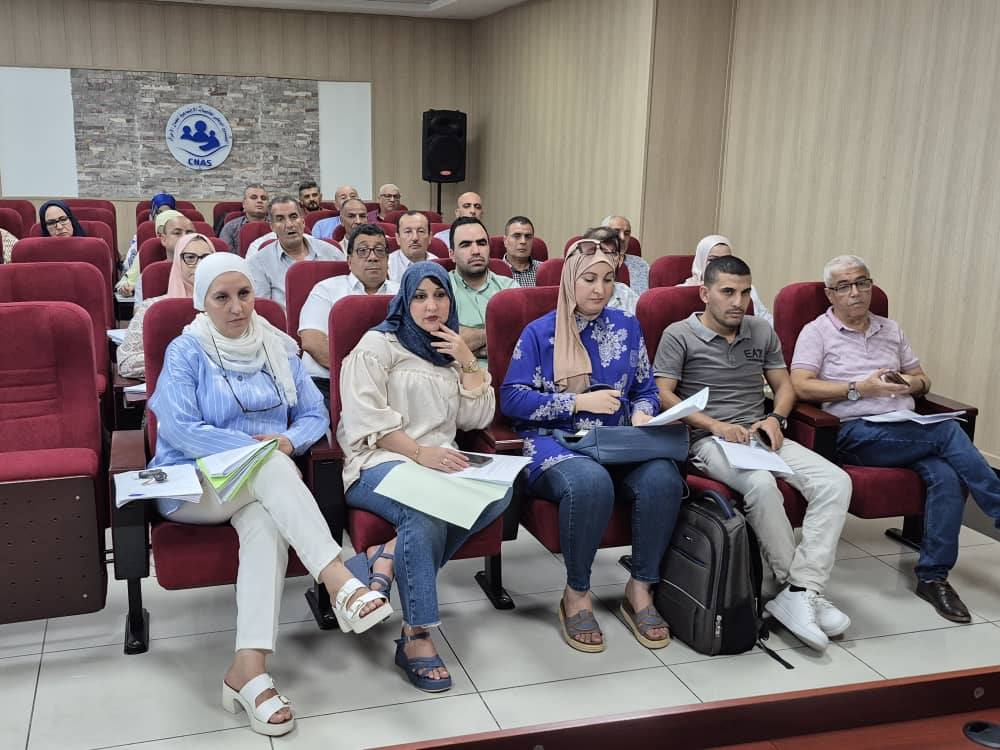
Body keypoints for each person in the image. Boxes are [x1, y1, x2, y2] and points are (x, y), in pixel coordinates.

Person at [148, 253, 391, 737]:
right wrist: (258, 451)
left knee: (265, 523)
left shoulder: (276, 345)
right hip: (194, 484)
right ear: (202, 302)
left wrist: (288, 441)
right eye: (222, 297)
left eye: (244, 294)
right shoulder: (186, 351)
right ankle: (338, 579)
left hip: (260, 486)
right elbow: (179, 428)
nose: (236, 307)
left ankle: (249, 669)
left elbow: (315, 414)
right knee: (271, 465)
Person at [654, 254, 852, 652]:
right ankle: (794, 588)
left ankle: (802, 589)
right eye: (728, 292)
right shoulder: (680, 334)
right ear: (704, 293)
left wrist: (776, 418)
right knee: (761, 485)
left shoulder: (760, 330)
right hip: (707, 440)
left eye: (745, 293)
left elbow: (784, 386)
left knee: (836, 481)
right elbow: (663, 394)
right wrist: (715, 425)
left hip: (759, 435)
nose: (738, 302)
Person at [790, 254, 1000, 624]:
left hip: (907, 428)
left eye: (862, 283)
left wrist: (908, 384)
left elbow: (923, 380)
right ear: (830, 294)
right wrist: (861, 388)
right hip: (855, 431)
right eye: (844, 286)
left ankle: (933, 577)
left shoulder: (891, 329)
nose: (855, 292)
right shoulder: (816, 332)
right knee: (947, 431)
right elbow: (801, 386)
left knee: (946, 475)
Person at [501, 242, 684, 653]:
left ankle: (640, 589)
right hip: (552, 440)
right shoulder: (540, 332)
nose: (599, 289)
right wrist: (577, 402)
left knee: (663, 478)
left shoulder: (627, 326)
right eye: (588, 279)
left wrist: (643, 412)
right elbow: (512, 399)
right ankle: (577, 594)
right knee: (590, 482)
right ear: (570, 281)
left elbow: (645, 388)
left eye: (607, 279)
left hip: (617, 440)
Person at [338, 261, 511, 692]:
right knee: (423, 513)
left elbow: (476, 418)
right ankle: (416, 633)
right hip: (379, 460)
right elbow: (363, 421)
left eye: (440, 296)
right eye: (420, 297)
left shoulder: (447, 349)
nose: (431, 306)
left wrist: (468, 361)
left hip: (438, 463)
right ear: (404, 300)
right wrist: (419, 453)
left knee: (500, 491)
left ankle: (385, 554)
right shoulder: (378, 345)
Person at [299, 224, 399, 402]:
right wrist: (359, 374)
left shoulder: (401, 293)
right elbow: (312, 342)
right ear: (349, 260)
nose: (373, 257)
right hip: (329, 381)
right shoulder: (326, 289)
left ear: (387, 259)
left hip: (390, 382)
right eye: (363, 251)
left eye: (379, 250)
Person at [117, 233, 215, 379]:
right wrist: (185, 360)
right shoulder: (152, 308)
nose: (199, 264)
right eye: (190, 258)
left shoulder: (228, 308)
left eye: (206, 258)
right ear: (177, 262)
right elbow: (126, 362)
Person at [246, 195, 344, 309]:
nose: (289, 225)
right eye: (280, 219)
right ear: (272, 227)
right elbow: (264, 311)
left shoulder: (331, 252)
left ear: (302, 221)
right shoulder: (258, 263)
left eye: (293, 217)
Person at [448, 216, 516, 368]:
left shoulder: (510, 288)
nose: (476, 251)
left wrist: (468, 341)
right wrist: (496, 333)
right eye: (465, 245)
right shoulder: (441, 290)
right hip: (459, 376)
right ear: (452, 254)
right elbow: (445, 344)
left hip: (508, 373)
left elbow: (520, 340)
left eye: (481, 243)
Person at [684, 235, 773, 325]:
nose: (720, 265)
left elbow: (765, 318)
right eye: (713, 260)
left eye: (726, 259)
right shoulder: (681, 292)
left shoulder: (747, 289)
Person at [131, 212, 196, 306]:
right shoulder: (150, 275)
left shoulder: (204, 270)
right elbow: (140, 313)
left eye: (190, 233)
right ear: (164, 239)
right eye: (177, 233)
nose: (184, 237)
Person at [120, 192, 176, 286]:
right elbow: (128, 270)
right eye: (159, 213)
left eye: (168, 213)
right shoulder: (144, 239)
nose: (163, 217)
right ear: (153, 214)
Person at [582, 226, 639, 315]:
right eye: (593, 252)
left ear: (619, 260)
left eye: (607, 253)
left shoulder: (627, 294)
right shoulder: (572, 291)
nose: (600, 259)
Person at [601, 215, 650, 294]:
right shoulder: (594, 264)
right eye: (616, 232)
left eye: (626, 233)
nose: (622, 238)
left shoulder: (641, 264)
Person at [219, 184, 269, 253]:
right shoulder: (230, 227)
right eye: (254, 198)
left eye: (263, 198)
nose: (260, 201)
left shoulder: (276, 226)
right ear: (244, 204)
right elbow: (227, 255)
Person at [388, 211, 433, 282]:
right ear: (398, 238)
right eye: (408, 232)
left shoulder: (438, 264)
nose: (415, 238)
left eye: (421, 231)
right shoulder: (387, 265)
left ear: (430, 237)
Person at [501, 215, 542, 287]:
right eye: (517, 236)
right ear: (505, 241)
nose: (523, 241)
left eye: (528, 236)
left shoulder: (544, 270)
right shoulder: (494, 270)